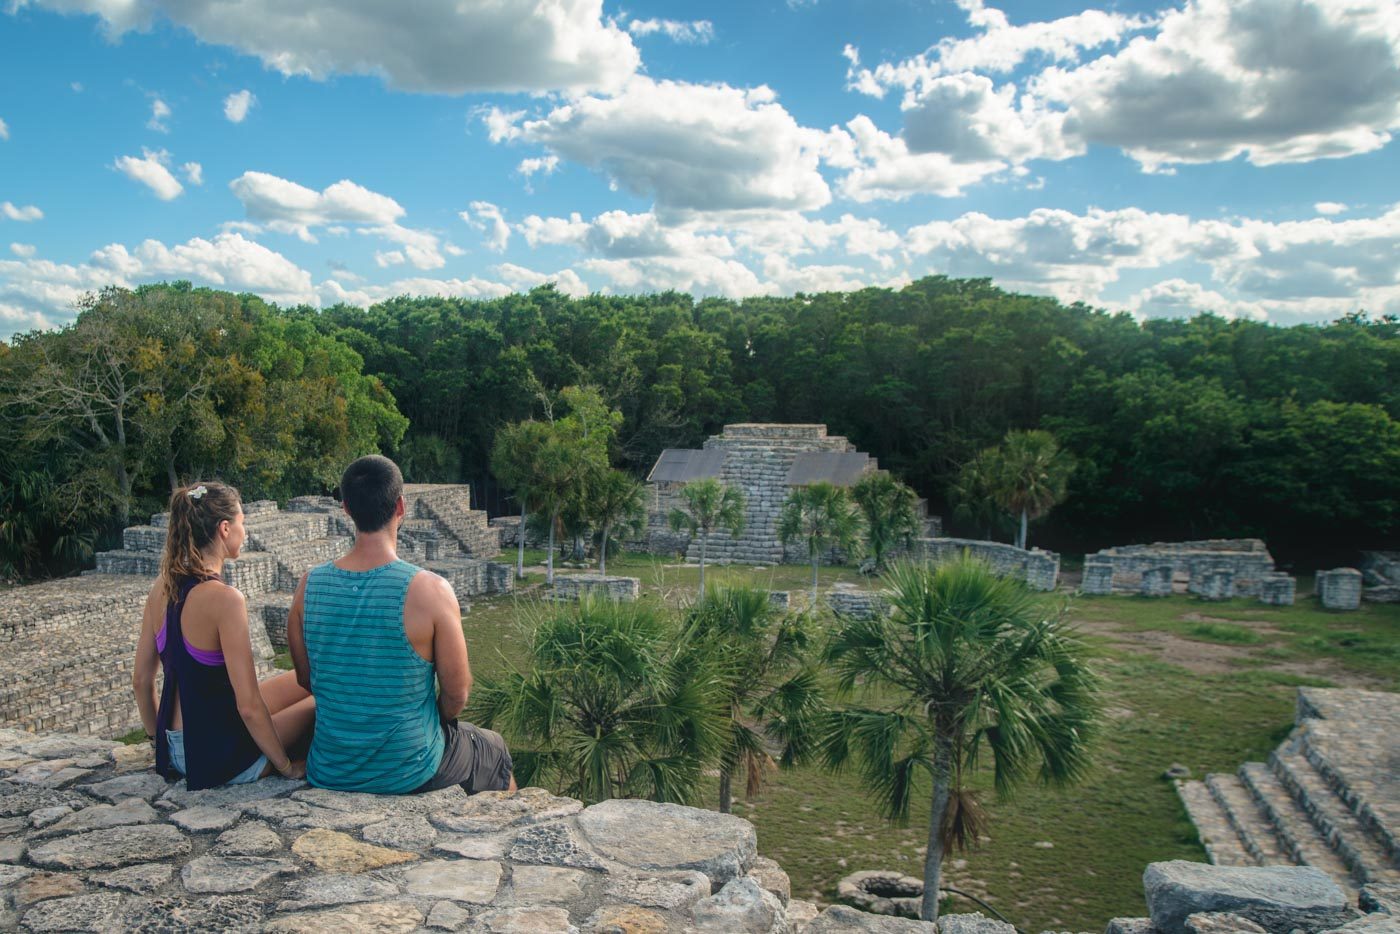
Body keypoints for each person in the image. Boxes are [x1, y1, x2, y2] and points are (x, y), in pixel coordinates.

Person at [287, 455, 514, 795]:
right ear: (400, 506)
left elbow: (306, 679)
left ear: (346, 508)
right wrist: (431, 718)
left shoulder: (309, 585)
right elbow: (457, 695)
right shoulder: (430, 590)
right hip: (408, 767)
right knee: (493, 749)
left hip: (331, 766)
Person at [133, 481, 315, 790]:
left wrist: (158, 744)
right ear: (225, 528)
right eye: (243, 523)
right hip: (219, 756)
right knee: (324, 701)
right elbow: (248, 705)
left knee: (307, 678)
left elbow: (141, 682)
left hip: (177, 747)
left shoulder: (161, 589)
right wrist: (284, 767)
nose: (245, 532)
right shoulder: (225, 600)